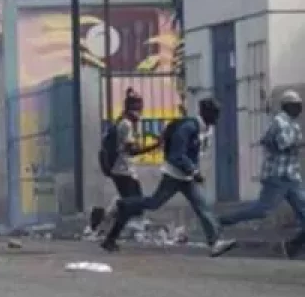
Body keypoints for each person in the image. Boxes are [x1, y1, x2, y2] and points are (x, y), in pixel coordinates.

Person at [101, 97, 237, 257]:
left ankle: (214, 243)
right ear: (205, 113)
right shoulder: (188, 127)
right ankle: (123, 204)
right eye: (215, 113)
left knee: (202, 206)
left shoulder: (206, 129)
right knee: (154, 203)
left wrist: (192, 171)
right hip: (174, 174)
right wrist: (193, 171)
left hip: (185, 177)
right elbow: (176, 155)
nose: (217, 117)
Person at [218, 90, 305, 258]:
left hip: (291, 176)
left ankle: (293, 247)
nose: (299, 109)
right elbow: (284, 144)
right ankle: (221, 221)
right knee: (261, 210)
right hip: (277, 176)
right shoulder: (279, 122)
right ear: (287, 106)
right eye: (296, 105)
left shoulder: (293, 124)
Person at [89, 89, 161, 238]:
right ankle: (105, 224)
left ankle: (104, 223)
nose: (140, 113)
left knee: (131, 202)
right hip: (121, 170)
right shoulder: (126, 125)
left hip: (124, 169)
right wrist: (155, 146)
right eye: (138, 109)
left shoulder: (123, 122)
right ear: (132, 110)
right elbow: (132, 150)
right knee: (134, 203)